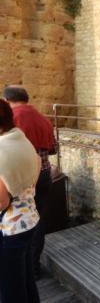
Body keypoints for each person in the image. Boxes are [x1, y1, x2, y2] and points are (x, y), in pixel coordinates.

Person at [2, 85, 56, 279]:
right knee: (36, 219)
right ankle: (33, 268)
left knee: (15, 223)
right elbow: (52, 150)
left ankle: (23, 269)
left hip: (19, 179)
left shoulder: (10, 119)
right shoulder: (44, 119)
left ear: (7, 100)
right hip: (43, 174)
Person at [0, 98, 41, 303]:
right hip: (28, 219)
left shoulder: (1, 149)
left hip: (10, 228)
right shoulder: (20, 139)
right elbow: (38, 164)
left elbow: (0, 202)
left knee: (10, 290)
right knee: (25, 281)